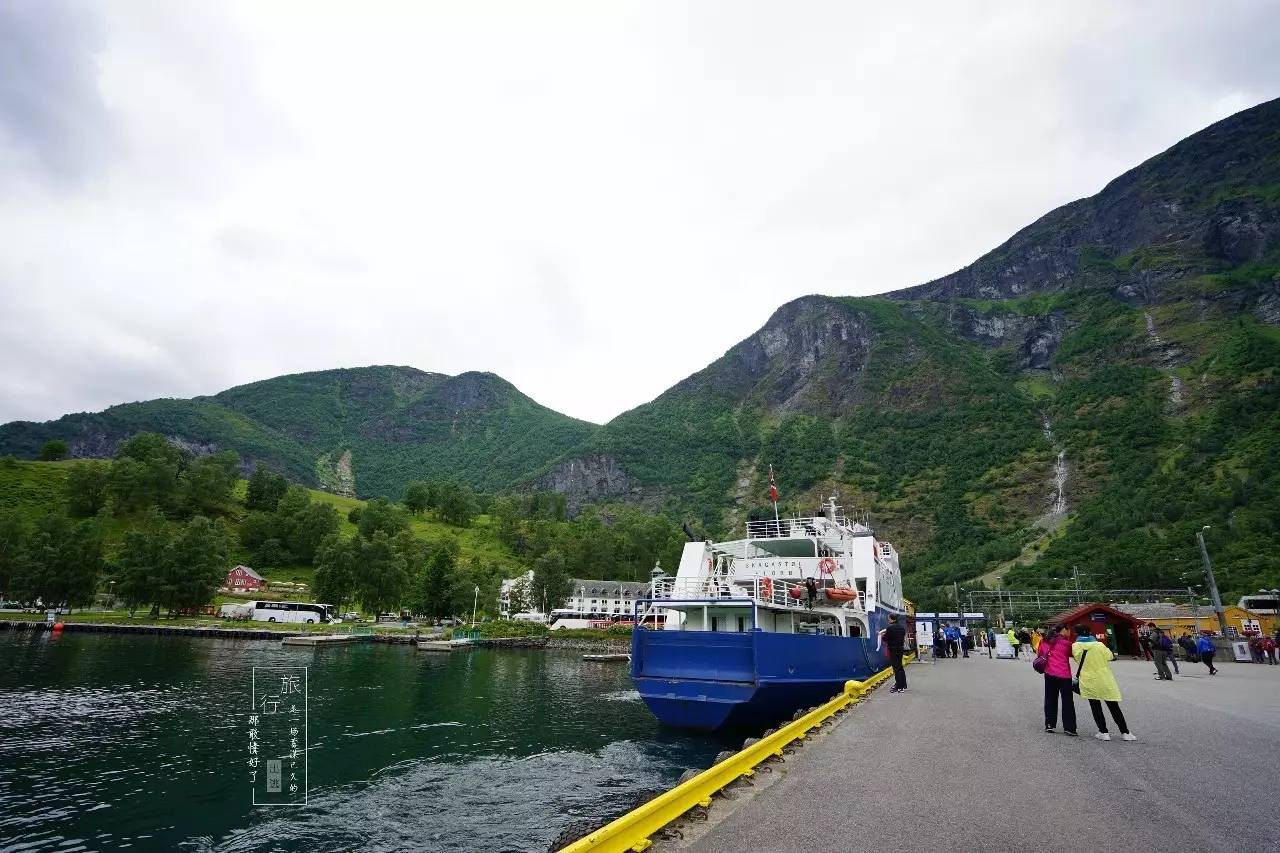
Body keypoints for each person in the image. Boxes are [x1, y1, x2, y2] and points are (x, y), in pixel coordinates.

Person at [1072, 623, 1135, 741]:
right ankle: (1125, 732)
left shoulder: (1076, 646)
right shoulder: (1099, 645)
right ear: (1089, 632)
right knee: (1114, 706)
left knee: (1096, 707)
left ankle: (1103, 732)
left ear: (1077, 633)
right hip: (1105, 678)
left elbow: (1077, 659)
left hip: (1089, 679)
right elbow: (1110, 656)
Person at [1040, 623, 1078, 736]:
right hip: (1064, 675)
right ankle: (1069, 728)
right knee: (1067, 701)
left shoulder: (1045, 641)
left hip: (1049, 673)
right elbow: (1075, 655)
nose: (1070, 632)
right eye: (1069, 630)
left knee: (1050, 698)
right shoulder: (1067, 644)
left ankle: (1049, 725)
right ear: (1064, 630)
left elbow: (1040, 653)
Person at [881, 613, 908, 693]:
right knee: (900, 667)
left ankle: (899, 687)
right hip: (900, 649)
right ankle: (903, 685)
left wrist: (882, 635)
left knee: (896, 669)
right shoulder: (902, 628)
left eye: (888, 618)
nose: (888, 620)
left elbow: (885, 638)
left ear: (892, 619)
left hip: (893, 650)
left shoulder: (890, 628)